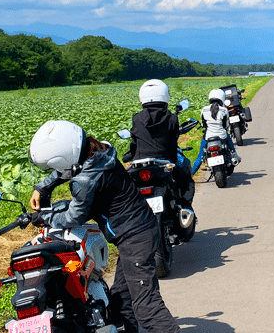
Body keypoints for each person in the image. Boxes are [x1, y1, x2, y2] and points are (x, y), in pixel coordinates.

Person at [28, 120, 181, 333]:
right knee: (120, 299)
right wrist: (42, 188)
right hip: (138, 227)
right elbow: (68, 169)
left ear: (65, 157)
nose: (55, 170)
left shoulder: (85, 181)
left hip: (135, 236)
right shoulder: (100, 150)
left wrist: (45, 217)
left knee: (147, 308)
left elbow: (74, 215)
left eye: (54, 165)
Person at [127, 79, 194, 210]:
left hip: (139, 165)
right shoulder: (172, 118)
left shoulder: (136, 118)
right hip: (162, 163)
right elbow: (172, 144)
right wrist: (172, 161)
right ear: (165, 95)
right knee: (188, 182)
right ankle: (186, 212)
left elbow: (135, 142)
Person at [198, 88, 242, 167]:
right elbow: (226, 125)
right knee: (228, 138)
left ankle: (191, 173)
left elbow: (204, 124)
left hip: (208, 136)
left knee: (200, 157)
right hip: (222, 136)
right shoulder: (224, 110)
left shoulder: (204, 109)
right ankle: (234, 155)